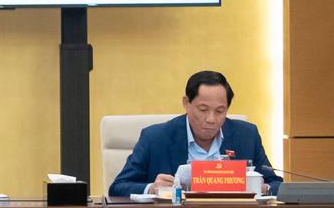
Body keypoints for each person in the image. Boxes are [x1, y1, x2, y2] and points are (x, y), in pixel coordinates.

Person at [108, 70, 281, 198]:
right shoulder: (155, 138)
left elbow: (276, 185)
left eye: (220, 111)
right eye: (203, 109)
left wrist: (263, 188)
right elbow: (118, 187)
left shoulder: (246, 135)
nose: (211, 119)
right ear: (186, 103)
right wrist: (151, 189)